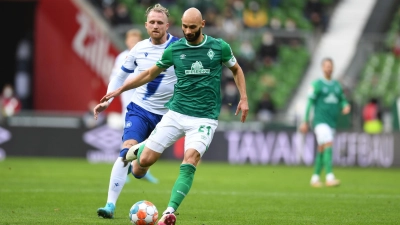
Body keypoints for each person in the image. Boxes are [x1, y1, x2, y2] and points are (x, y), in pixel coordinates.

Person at [98, 7, 249, 225]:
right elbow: (149, 74)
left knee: (191, 159)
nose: (188, 31)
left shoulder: (219, 47)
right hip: (176, 114)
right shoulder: (175, 50)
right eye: (185, 27)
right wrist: (118, 91)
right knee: (142, 165)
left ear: (203, 25)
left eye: (193, 27)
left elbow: (237, 69)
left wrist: (243, 97)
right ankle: (139, 150)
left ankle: (169, 212)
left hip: (204, 119)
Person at [93, 4, 179, 219]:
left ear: (167, 25)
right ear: (146, 25)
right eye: (152, 22)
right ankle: (110, 205)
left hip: (166, 118)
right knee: (125, 152)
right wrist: (107, 98)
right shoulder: (139, 49)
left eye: (160, 22)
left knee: (140, 170)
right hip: (139, 110)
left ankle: (140, 168)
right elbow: (121, 76)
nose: (156, 26)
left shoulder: (179, 47)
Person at [299, 58, 350, 188]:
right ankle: (329, 177)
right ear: (322, 68)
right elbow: (309, 103)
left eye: (330, 66)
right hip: (320, 122)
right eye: (326, 66)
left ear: (333, 68)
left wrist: (345, 106)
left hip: (332, 122)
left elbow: (342, 100)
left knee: (322, 150)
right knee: (328, 144)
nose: (329, 68)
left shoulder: (337, 86)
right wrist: (305, 121)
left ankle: (315, 178)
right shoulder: (317, 84)